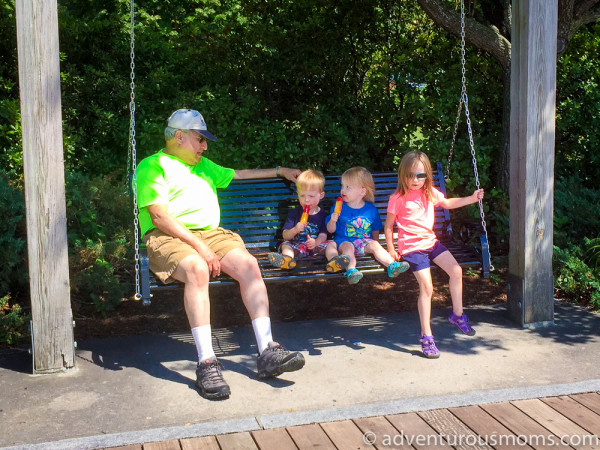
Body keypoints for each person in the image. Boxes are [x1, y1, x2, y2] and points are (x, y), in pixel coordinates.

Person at [136, 108, 305, 400]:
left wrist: (279, 171)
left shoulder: (203, 166)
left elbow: (238, 174)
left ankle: (268, 351)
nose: (205, 146)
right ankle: (207, 363)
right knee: (197, 270)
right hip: (167, 236)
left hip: (211, 234)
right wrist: (200, 247)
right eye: (200, 139)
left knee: (250, 265)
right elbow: (160, 217)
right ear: (179, 137)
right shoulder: (153, 166)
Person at [384, 151, 484, 359]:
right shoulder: (398, 198)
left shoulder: (429, 192)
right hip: (411, 247)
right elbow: (389, 226)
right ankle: (426, 336)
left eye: (420, 175)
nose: (415, 180)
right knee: (427, 288)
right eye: (410, 175)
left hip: (430, 242)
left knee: (456, 271)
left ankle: (457, 315)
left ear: (427, 175)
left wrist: (472, 199)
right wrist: (392, 249)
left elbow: (448, 203)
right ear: (402, 174)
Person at [325, 167, 409, 284]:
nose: (343, 190)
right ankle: (351, 271)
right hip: (343, 241)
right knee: (348, 247)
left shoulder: (371, 209)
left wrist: (374, 245)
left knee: (374, 244)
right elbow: (330, 230)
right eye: (342, 186)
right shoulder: (338, 207)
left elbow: (375, 229)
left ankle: (392, 266)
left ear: (362, 192)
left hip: (363, 242)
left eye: (348, 187)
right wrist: (332, 221)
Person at [267, 169, 329, 269]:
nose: (306, 200)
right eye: (302, 195)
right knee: (286, 245)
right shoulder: (294, 213)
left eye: (311, 196)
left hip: (317, 247)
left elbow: (323, 235)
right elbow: (285, 235)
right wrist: (295, 229)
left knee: (332, 245)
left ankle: (335, 261)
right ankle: (287, 260)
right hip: (298, 247)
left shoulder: (323, 215)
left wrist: (316, 242)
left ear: (321, 195)